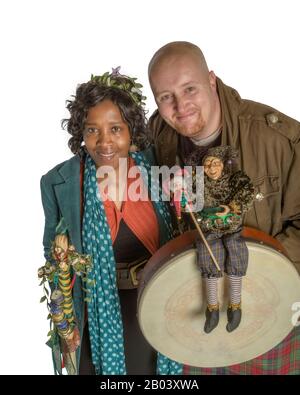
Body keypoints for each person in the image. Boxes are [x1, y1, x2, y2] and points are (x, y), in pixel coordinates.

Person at [148, 41, 300, 374]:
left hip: (273, 314)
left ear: (212, 80)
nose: (181, 106)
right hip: (193, 321)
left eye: (190, 88)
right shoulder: (156, 139)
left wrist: (262, 271)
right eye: (166, 97)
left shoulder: (279, 139)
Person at [40, 68, 182, 375]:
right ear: (80, 132)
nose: (104, 142)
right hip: (97, 318)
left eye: (115, 129)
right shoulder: (59, 182)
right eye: (92, 130)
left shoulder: (162, 165)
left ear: (132, 131)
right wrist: (64, 321)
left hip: (158, 306)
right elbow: (54, 258)